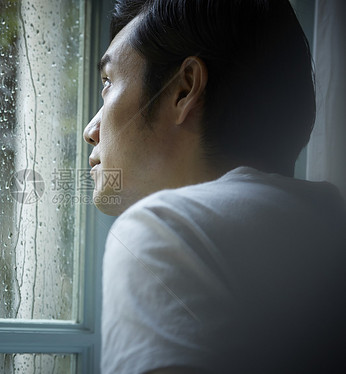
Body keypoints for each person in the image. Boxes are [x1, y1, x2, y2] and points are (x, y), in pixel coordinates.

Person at [83, 0, 346, 373]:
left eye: (108, 82)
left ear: (184, 88)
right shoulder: (331, 221)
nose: (90, 131)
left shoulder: (164, 233)